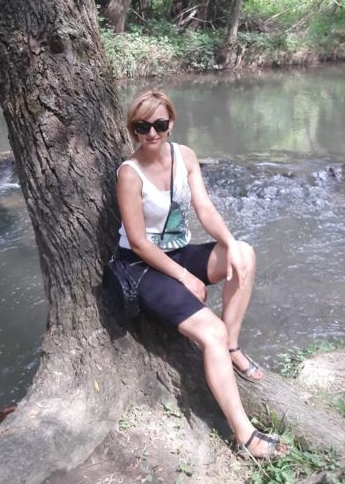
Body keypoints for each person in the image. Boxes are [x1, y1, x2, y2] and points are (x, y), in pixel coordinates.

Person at [115, 90, 285, 460]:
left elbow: (204, 207)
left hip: (177, 251)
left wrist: (230, 243)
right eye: (142, 127)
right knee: (211, 331)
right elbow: (140, 243)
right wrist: (185, 277)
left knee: (244, 254)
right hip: (141, 266)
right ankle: (245, 436)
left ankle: (232, 347)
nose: (152, 133)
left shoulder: (185, 156)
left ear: (171, 123)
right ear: (133, 130)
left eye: (159, 124)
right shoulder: (130, 174)